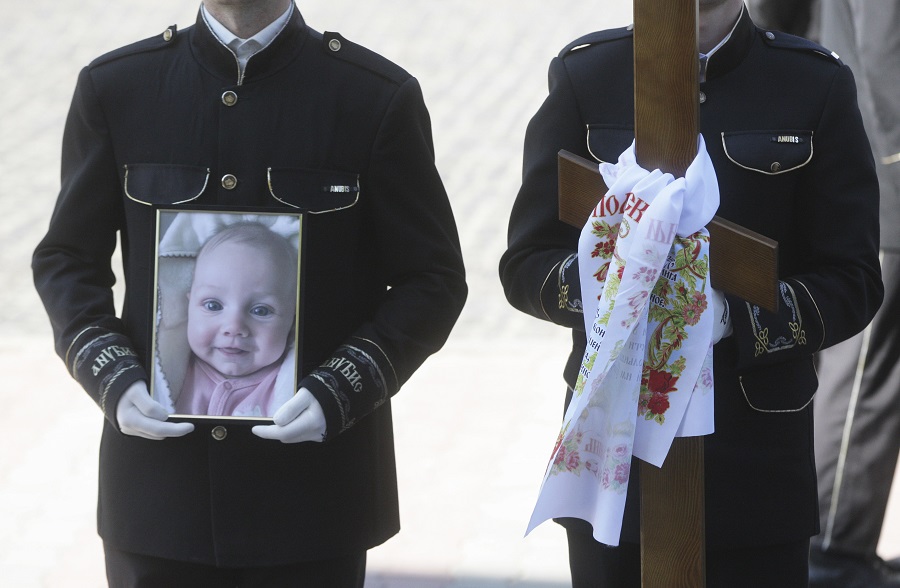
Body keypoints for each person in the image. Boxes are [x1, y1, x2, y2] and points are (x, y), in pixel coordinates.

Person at [32, 0, 467, 584]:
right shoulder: (117, 88)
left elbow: (433, 279)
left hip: (313, 500)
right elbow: (67, 259)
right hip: (161, 500)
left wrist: (342, 389)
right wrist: (110, 373)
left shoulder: (374, 97)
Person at [499, 0, 882, 586]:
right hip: (616, 461)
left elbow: (852, 280)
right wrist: (616, 292)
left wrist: (726, 315)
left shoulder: (812, 83)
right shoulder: (587, 75)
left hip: (754, 463)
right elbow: (526, 263)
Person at [808, 1, 900, 586]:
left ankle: (840, 548)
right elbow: (886, 48)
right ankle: (831, 552)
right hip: (885, 172)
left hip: (874, 156)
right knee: (865, 369)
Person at [175, 221, 299, 418]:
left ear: (293, 317)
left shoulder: (293, 386)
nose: (234, 327)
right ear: (189, 306)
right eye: (213, 306)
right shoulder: (171, 375)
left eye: (260, 310)